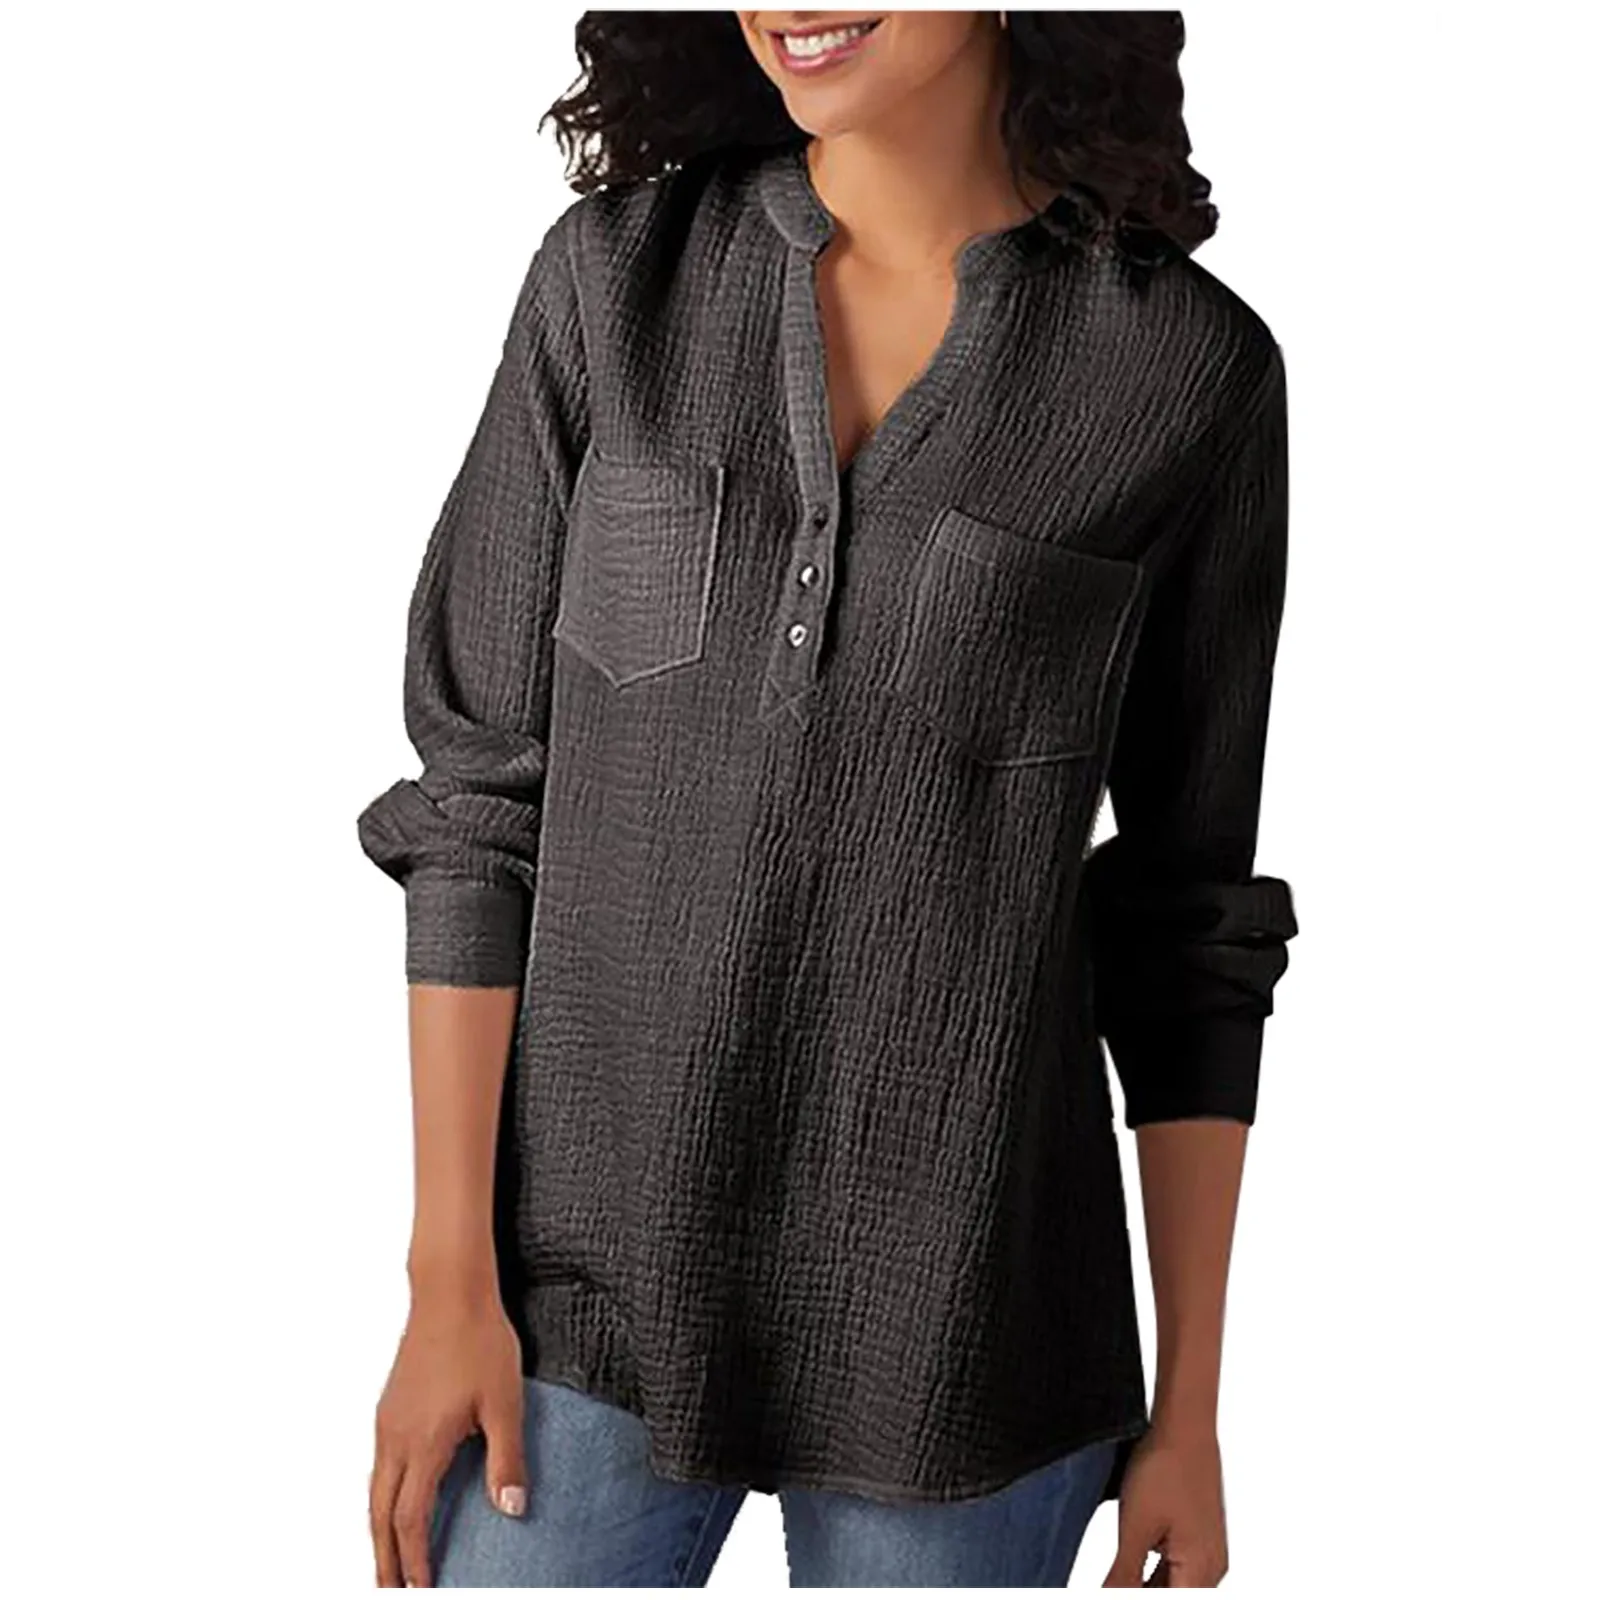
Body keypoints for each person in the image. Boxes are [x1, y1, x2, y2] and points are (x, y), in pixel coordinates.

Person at [356, 9, 1298, 1588]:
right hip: (574, 1307)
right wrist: (445, 1280)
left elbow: (1187, 922)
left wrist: (1190, 1407)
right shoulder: (614, 285)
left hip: (970, 1340)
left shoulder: (1183, 370)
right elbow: (477, 811)